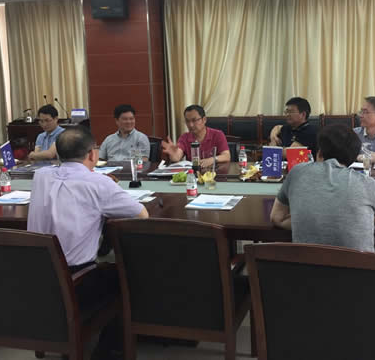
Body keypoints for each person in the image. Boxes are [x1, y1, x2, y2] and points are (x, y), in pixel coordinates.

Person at [28, 126, 149, 360]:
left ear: (58, 154)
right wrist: (108, 188)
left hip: (37, 278)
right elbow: (141, 215)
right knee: (127, 277)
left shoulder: (40, 176)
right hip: (76, 283)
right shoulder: (98, 183)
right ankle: (108, 350)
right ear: (92, 154)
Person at [270, 124, 375, 251]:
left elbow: (277, 218)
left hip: (307, 273)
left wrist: (308, 220)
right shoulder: (369, 185)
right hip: (361, 274)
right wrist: (370, 217)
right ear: (352, 159)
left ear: (319, 153)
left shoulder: (297, 173)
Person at [162, 104, 230, 169]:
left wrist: (212, 159)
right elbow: (177, 156)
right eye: (187, 121)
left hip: (214, 173)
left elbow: (226, 156)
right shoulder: (184, 137)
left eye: (194, 120)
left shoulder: (218, 135)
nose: (190, 125)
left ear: (204, 120)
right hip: (193, 174)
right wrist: (174, 155)